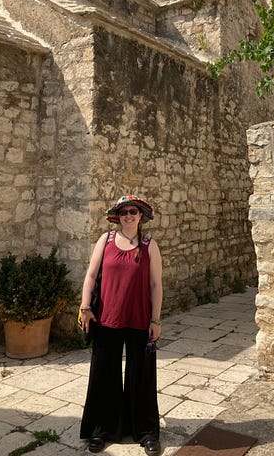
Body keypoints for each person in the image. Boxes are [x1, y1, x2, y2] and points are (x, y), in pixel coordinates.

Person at [79, 194, 163, 456]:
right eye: (124, 211)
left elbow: (156, 284)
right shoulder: (106, 241)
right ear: (118, 216)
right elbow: (91, 275)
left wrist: (156, 319)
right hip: (107, 319)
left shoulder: (150, 245)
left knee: (142, 376)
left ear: (141, 216)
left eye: (134, 212)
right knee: (104, 374)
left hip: (140, 320)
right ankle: (103, 430)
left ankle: (146, 432)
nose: (129, 215)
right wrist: (85, 307)